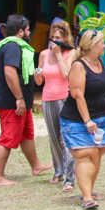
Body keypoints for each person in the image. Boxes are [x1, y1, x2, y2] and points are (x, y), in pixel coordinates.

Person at [0, 15, 53, 186]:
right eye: (28, 29)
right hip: (12, 103)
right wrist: (19, 98)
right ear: (20, 31)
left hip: (21, 102)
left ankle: (36, 166)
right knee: (8, 138)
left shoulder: (13, 46)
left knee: (26, 134)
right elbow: (10, 73)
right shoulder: (13, 47)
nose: (30, 32)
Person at [59, 30, 105, 209]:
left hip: (103, 118)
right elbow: (78, 95)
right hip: (77, 121)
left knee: (97, 154)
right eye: (101, 43)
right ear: (92, 47)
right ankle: (86, 198)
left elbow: (102, 86)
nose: (104, 46)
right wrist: (87, 121)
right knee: (86, 156)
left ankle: (89, 190)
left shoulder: (99, 62)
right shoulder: (79, 66)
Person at [34, 22, 78, 191]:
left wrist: (59, 55)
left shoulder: (71, 53)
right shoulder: (44, 54)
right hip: (47, 98)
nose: (54, 41)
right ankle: (58, 170)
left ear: (65, 38)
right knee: (53, 138)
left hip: (65, 98)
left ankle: (69, 177)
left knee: (66, 138)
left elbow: (67, 73)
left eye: (58, 38)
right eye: (52, 38)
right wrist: (37, 76)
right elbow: (39, 80)